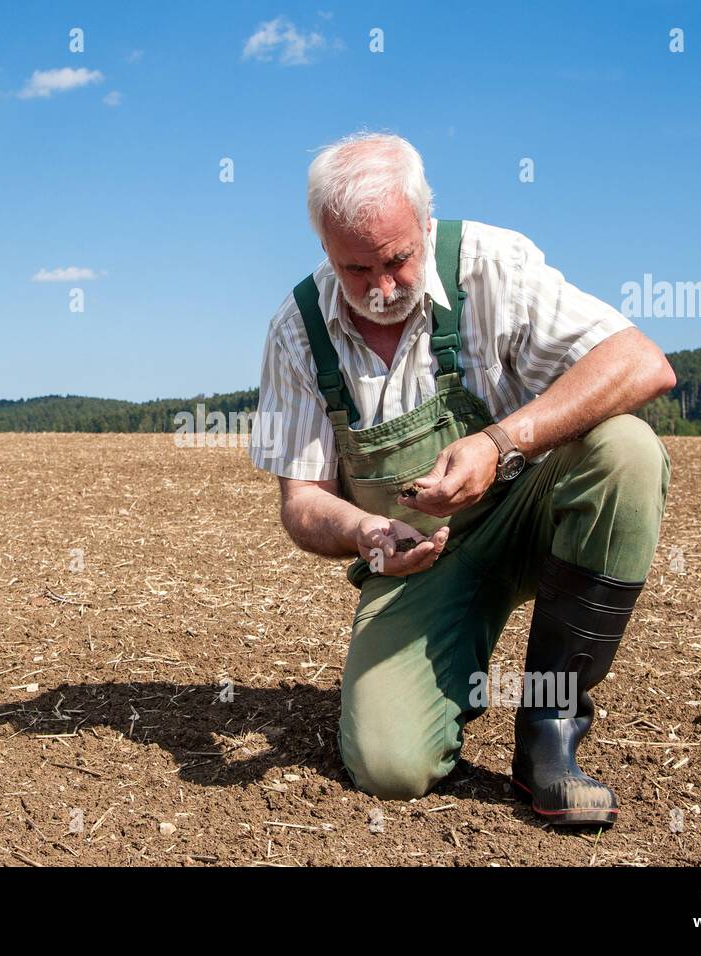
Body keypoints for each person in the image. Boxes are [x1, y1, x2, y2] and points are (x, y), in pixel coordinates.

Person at [249, 131, 674, 827]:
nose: (382, 289)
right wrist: (366, 533)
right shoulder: (296, 331)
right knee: (391, 769)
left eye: (397, 259)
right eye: (356, 270)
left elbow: (640, 363)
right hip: (420, 562)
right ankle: (449, 672)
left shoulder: (490, 264)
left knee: (627, 450)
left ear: (425, 221)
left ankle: (550, 730)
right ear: (324, 248)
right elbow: (300, 503)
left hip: (537, 514)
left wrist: (501, 442)